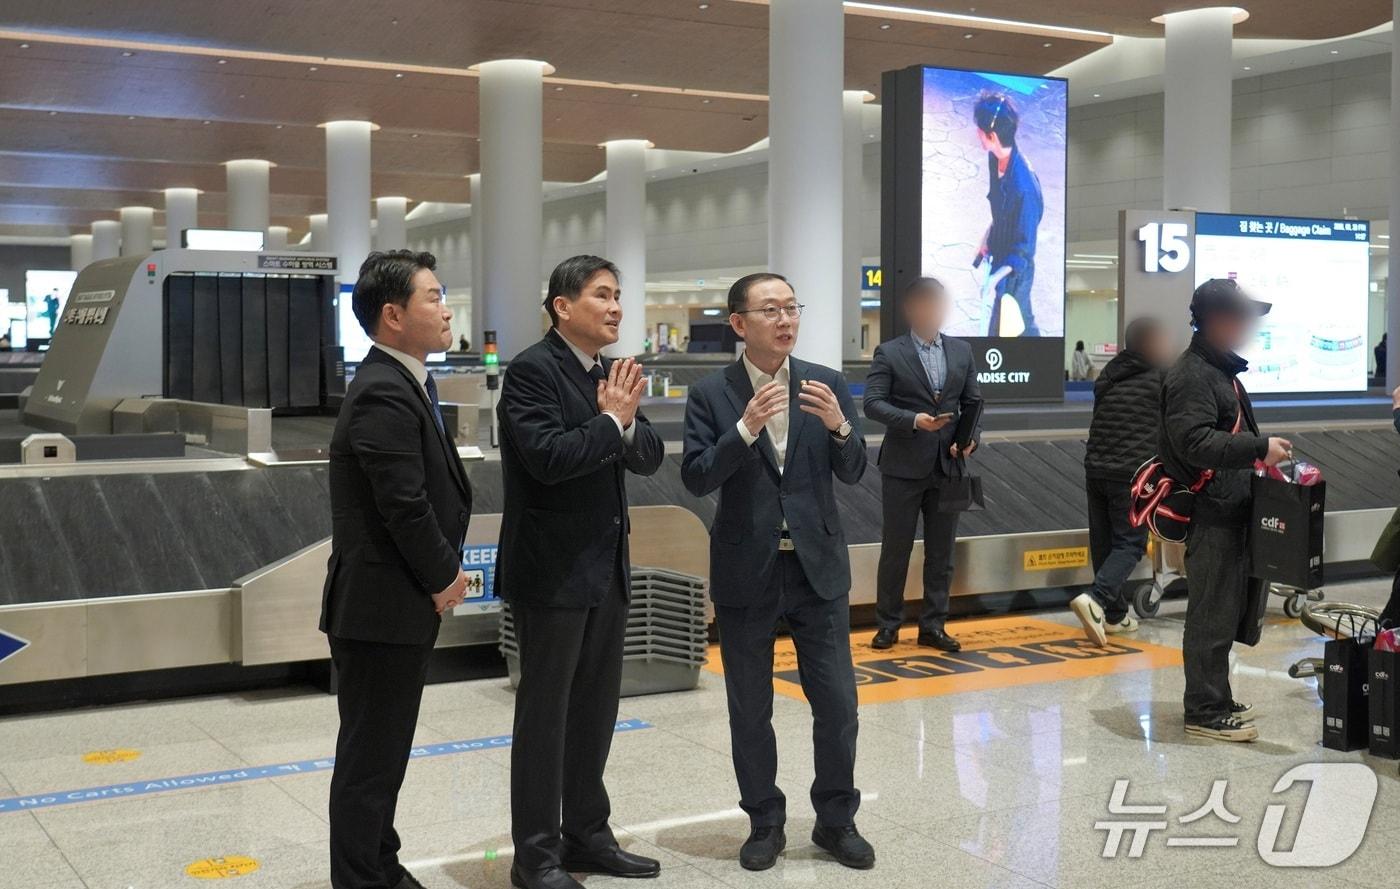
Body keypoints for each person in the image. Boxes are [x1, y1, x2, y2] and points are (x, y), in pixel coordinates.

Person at [681, 273, 874, 873]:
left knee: (838, 703)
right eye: (771, 310)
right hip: (747, 567)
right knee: (749, 706)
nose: (786, 320)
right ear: (739, 324)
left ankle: (836, 821)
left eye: (792, 308)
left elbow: (853, 469)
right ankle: (765, 821)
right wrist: (744, 430)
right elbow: (696, 476)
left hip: (816, 567)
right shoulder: (712, 393)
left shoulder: (827, 382)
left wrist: (842, 426)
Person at [496, 255, 665, 889]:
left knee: (595, 710)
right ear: (563, 307)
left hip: (606, 569)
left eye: (618, 294)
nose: (617, 306)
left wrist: (622, 420)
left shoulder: (608, 372)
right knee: (545, 717)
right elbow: (546, 459)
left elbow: (646, 456)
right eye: (602, 295)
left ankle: (588, 836)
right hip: (553, 573)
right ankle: (535, 856)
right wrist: (611, 421)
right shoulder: (532, 371)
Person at [319, 250, 473, 889]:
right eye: (433, 297)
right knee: (370, 758)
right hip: (382, 607)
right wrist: (445, 578)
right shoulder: (384, 388)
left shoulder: (407, 380)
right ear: (392, 315)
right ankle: (361, 877)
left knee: (383, 754)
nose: (446, 310)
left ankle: (381, 863)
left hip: (394, 606)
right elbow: (402, 506)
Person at [1161, 278, 1292, 743]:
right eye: (1239, 317)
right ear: (1216, 320)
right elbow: (1192, 442)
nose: (1246, 327)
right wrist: (1258, 448)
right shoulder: (1194, 375)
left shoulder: (1220, 372)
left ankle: (1214, 693)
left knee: (1225, 608)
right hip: (1210, 512)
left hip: (1229, 507)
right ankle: (1204, 710)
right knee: (1210, 612)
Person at [862, 277, 982, 652]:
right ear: (913, 309)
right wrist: (914, 420)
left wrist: (971, 439)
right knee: (895, 549)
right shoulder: (890, 353)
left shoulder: (962, 352)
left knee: (942, 552)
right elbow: (872, 403)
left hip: (948, 467)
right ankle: (888, 624)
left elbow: (973, 402)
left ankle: (933, 625)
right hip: (903, 467)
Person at [1070, 317, 1171, 645]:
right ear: (1151, 344)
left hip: (1096, 468)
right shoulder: (1162, 378)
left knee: (1103, 543)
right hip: (1133, 473)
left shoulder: (1109, 375)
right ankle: (1097, 600)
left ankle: (1114, 616)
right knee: (1130, 543)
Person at [972, 93, 1043, 337]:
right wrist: (987, 238)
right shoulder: (995, 157)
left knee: (1017, 329)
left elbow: (1023, 252)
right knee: (1004, 328)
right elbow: (1001, 211)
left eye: (979, 131)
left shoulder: (1024, 188)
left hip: (1016, 274)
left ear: (991, 136)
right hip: (1001, 258)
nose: (977, 135)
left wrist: (994, 280)